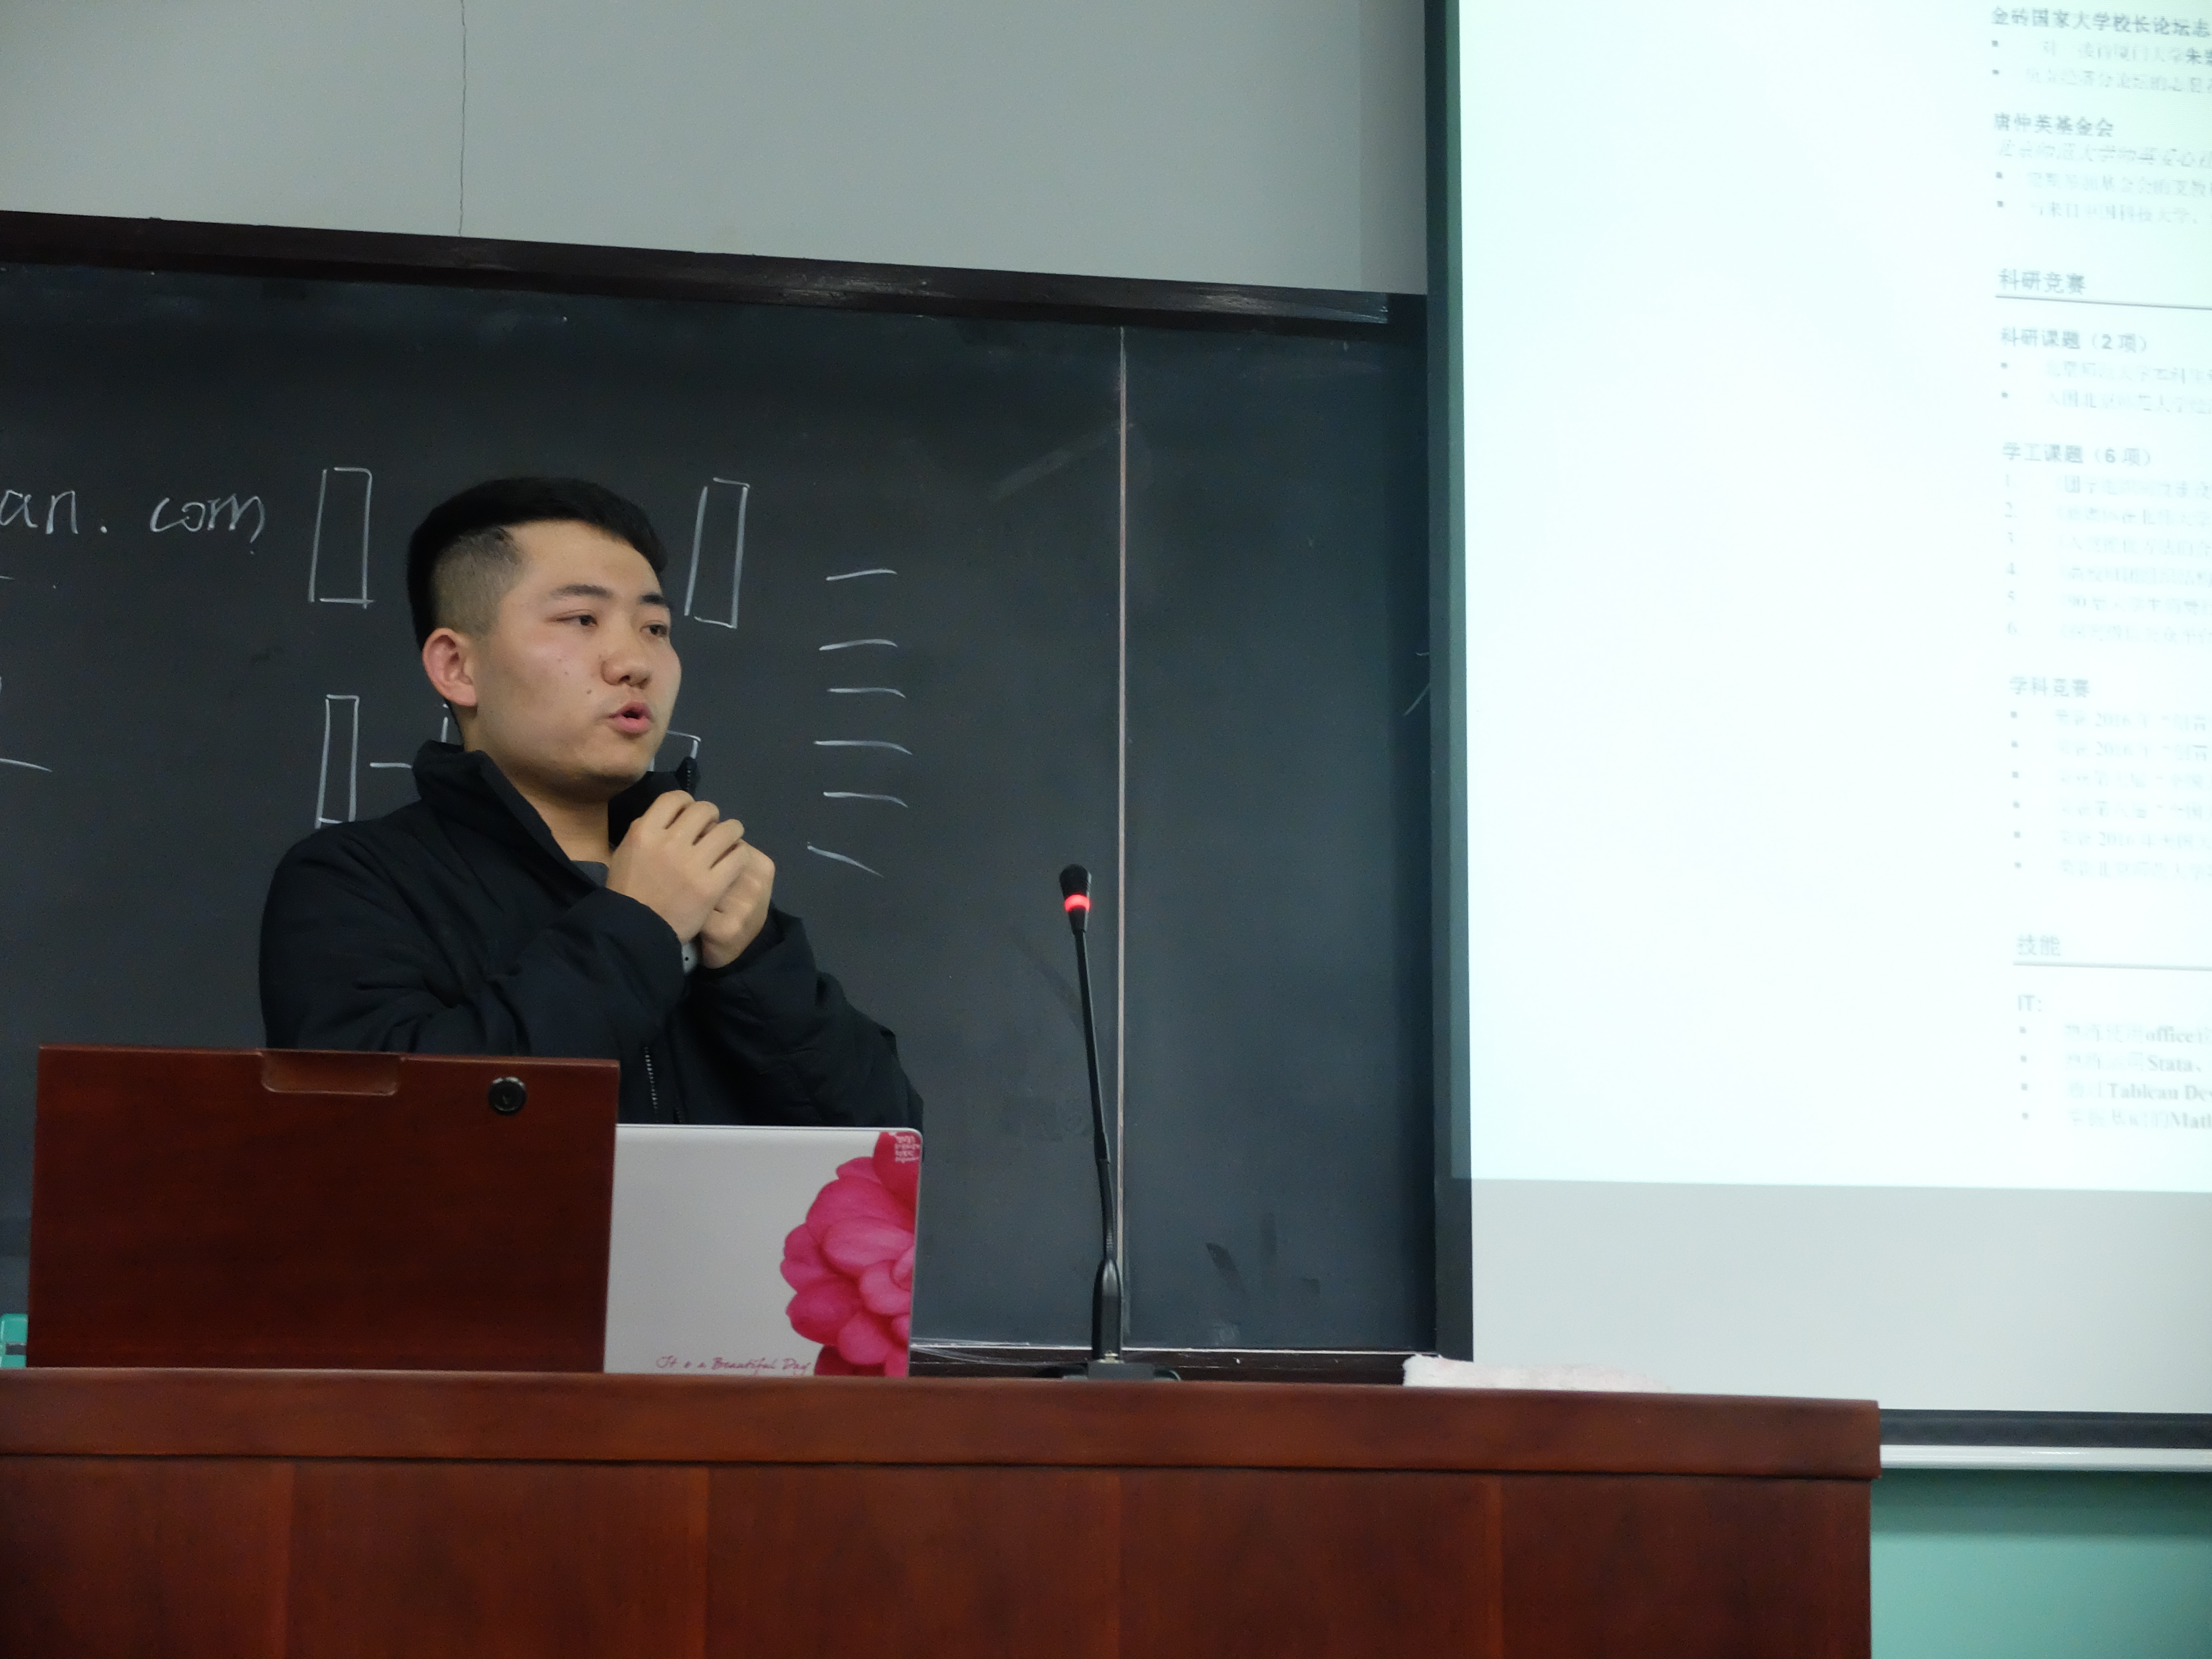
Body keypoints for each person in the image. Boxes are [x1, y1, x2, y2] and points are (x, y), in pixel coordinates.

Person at [259, 476, 921, 1128]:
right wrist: (638, 928)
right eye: (582, 619)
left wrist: (757, 963)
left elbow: (885, 1150)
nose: (635, 662)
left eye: (655, 628)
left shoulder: (704, 879)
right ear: (458, 667)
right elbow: (385, 1134)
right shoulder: (353, 881)